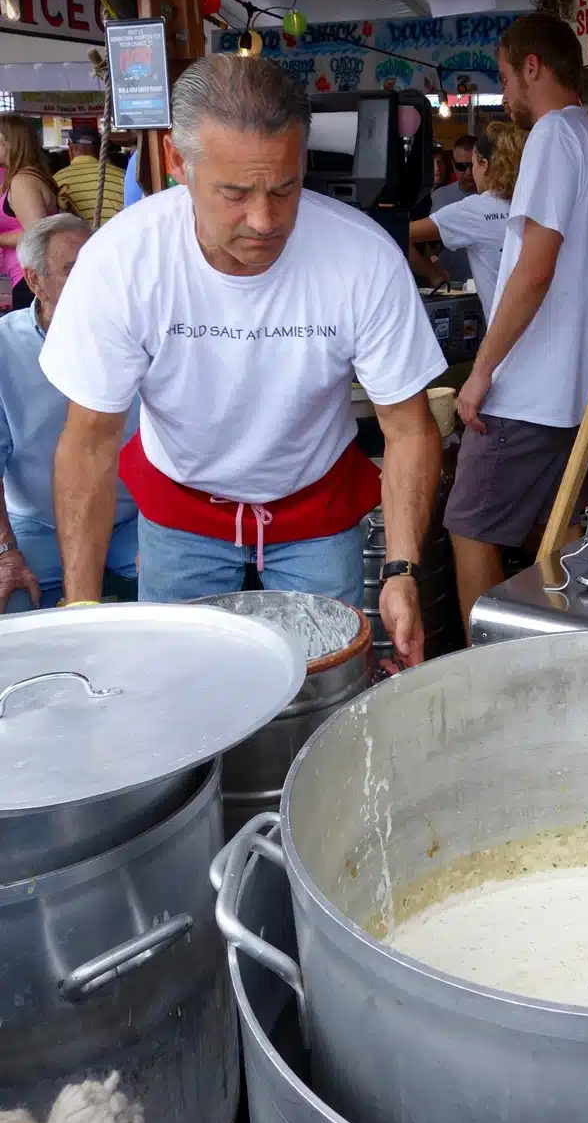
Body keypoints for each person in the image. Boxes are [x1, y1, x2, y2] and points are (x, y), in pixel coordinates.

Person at [39, 54, 446, 666]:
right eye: (234, 193)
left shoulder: (362, 256)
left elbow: (408, 427)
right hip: (182, 513)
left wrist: (402, 570)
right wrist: (81, 611)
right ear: (179, 164)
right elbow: (89, 442)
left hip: (315, 508)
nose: (263, 221)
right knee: (180, 689)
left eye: (284, 189)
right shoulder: (122, 261)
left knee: (320, 687)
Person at [444, 12, 588, 635]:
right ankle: (553, 658)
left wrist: (481, 373)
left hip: (530, 390)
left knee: (468, 526)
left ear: (532, 67)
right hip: (576, 385)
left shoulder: (552, 136)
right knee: (561, 536)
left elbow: (533, 272)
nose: (505, 95)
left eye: (504, 77)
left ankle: (486, 677)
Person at [0, 215, 139, 613]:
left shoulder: (135, 332)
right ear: (34, 281)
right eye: (73, 269)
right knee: (11, 603)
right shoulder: (5, 347)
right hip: (37, 525)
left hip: (131, 520)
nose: (93, 282)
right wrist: (5, 551)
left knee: (175, 595)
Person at [408, 122, 527, 317]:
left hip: (507, 340)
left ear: (485, 166)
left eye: (472, 165)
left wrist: (433, 273)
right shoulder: (532, 203)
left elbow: (401, 234)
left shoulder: (474, 209)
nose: (470, 172)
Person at [0, 116, 58, 313]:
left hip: (32, 277)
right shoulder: (22, 177)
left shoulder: (23, 181)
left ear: (5, 142)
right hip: (27, 276)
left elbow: (38, 232)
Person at [423, 134, 478, 285]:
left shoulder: (497, 198)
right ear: (453, 165)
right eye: (461, 166)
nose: (467, 172)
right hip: (449, 285)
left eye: (472, 165)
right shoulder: (438, 197)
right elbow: (425, 244)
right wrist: (434, 270)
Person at [55, 126, 125, 225]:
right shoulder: (123, 176)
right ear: (100, 149)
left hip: (79, 239)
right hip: (118, 237)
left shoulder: (56, 180)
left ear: (70, 149)